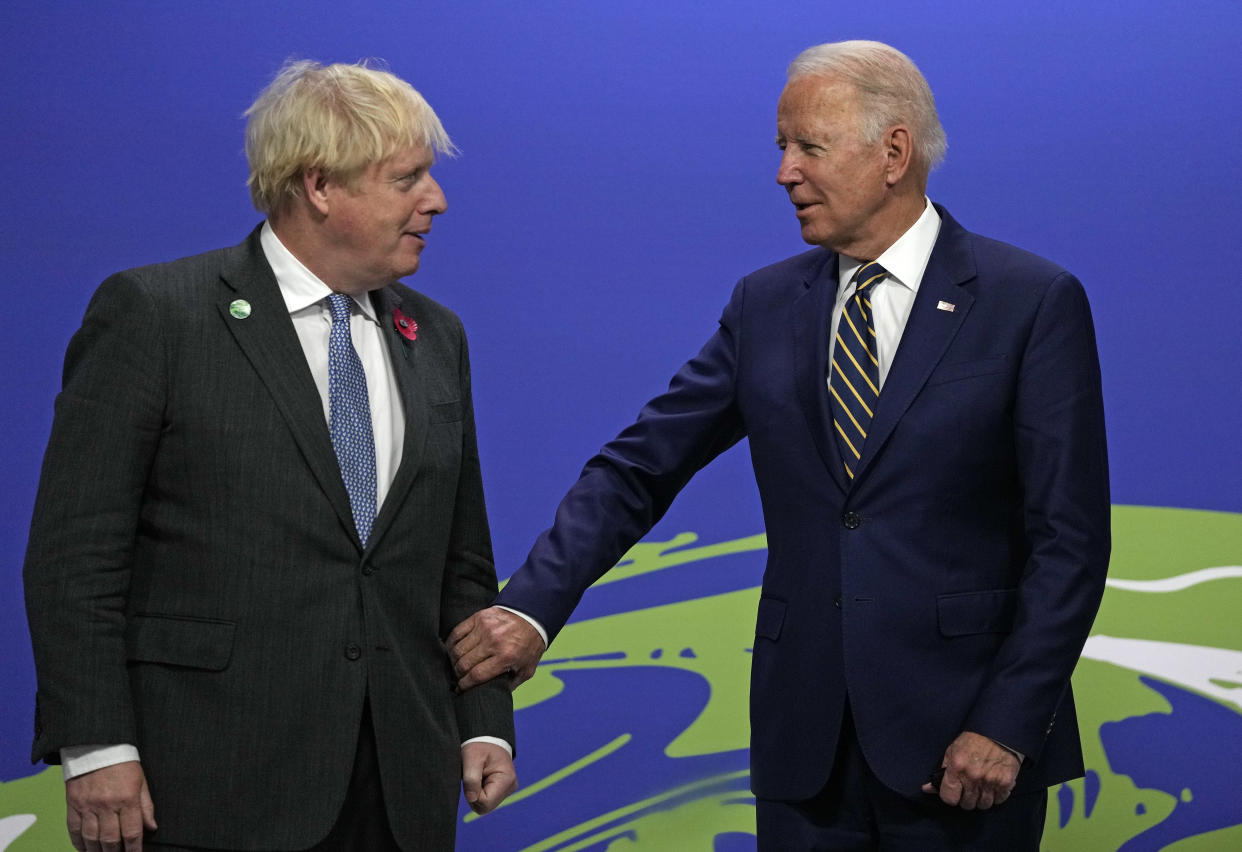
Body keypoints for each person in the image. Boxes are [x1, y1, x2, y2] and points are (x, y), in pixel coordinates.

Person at [448, 40, 1109, 850]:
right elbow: (639, 467)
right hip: (807, 756)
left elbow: (1069, 545)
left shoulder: (1028, 302)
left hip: (963, 752)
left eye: (808, 147)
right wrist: (532, 604)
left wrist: (1008, 725)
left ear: (894, 152)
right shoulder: (766, 305)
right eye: (781, 148)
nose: (784, 172)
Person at [24, 59, 516, 852]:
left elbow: (460, 558)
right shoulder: (157, 316)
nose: (437, 200)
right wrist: (96, 746)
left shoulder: (436, 336)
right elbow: (75, 555)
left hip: (400, 791)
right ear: (320, 185)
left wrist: (482, 724)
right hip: (208, 785)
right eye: (409, 179)